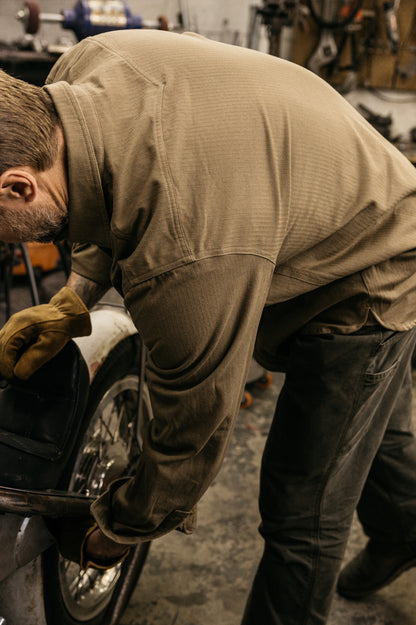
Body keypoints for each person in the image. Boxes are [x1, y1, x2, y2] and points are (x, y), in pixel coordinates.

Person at [0, 29, 416, 624]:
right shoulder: (80, 72)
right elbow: (97, 194)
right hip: (337, 190)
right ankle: (404, 530)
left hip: (373, 267)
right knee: (372, 429)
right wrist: (74, 298)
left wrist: (120, 531)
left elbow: (189, 436)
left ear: (17, 185)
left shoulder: (185, 257)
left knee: (302, 510)